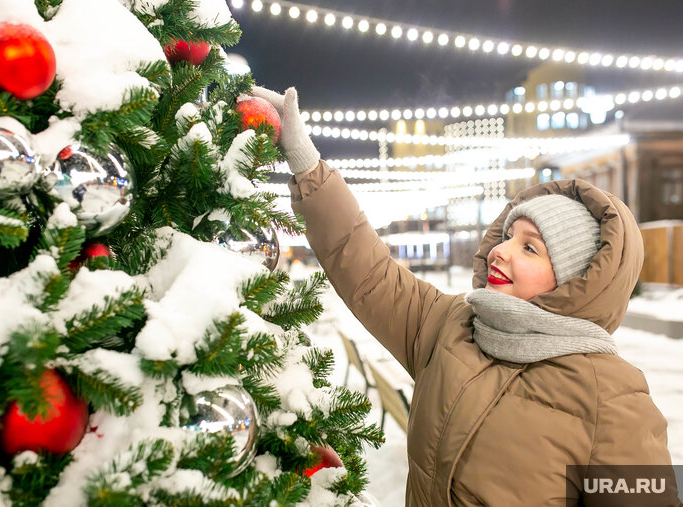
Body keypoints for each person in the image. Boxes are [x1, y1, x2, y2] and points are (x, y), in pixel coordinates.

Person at [250, 86, 678, 506]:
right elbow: (367, 267)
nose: (500, 250)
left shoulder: (614, 399)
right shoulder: (451, 326)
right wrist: (307, 162)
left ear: (575, 281)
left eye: (529, 247)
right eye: (508, 236)